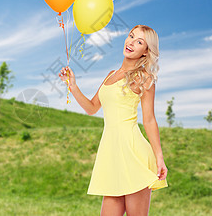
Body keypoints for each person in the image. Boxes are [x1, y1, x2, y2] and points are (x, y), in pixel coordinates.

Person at [58, 25, 168, 216]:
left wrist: (159, 157)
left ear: (146, 52)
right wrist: (73, 86)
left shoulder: (144, 78)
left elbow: (149, 120)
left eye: (139, 42)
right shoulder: (110, 75)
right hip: (112, 155)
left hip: (134, 154)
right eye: (131, 36)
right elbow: (92, 108)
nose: (131, 42)